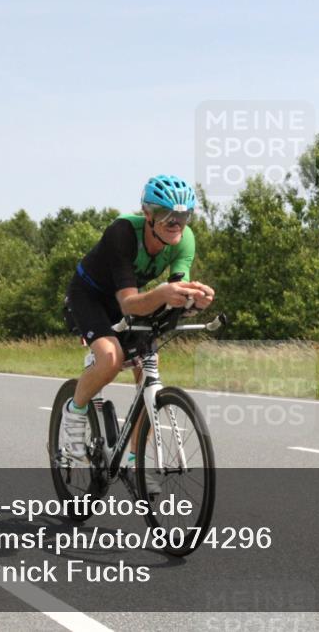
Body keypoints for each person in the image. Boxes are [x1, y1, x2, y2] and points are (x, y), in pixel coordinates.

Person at [60, 175, 215, 462]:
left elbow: (175, 290)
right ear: (147, 214)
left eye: (183, 215)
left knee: (148, 368)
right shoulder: (122, 233)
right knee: (110, 359)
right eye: (165, 214)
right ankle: (74, 412)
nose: (175, 222)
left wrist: (193, 300)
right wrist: (164, 292)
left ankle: (134, 461)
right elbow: (130, 303)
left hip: (128, 297)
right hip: (90, 296)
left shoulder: (185, 240)